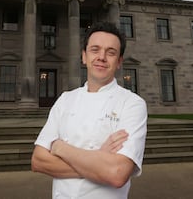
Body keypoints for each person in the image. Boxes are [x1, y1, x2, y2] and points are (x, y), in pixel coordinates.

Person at [31, 21, 147, 199]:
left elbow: (117, 173)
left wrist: (60, 148)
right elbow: (38, 161)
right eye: (95, 49)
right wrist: (99, 161)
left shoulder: (132, 104)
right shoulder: (65, 100)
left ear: (119, 62)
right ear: (84, 56)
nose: (101, 57)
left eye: (111, 52)